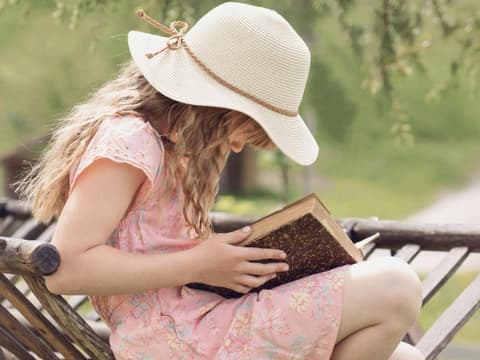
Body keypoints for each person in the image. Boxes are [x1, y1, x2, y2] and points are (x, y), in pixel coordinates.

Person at [15, 2, 425, 359]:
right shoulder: (130, 141)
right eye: (248, 127)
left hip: (204, 320)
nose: (240, 147)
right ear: (217, 104)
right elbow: (67, 268)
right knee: (397, 285)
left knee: (403, 355)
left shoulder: (175, 148)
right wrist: (199, 263)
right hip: (175, 342)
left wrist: (231, 266)